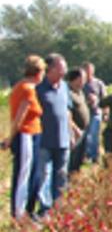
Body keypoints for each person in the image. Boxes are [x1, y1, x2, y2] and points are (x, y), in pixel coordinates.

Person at [3, 56, 45, 219]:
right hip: (25, 134)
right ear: (38, 72)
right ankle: (18, 213)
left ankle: (27, 210)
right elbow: (19, 117)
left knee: (31, 173)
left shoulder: (27, 87)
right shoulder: (26, 89)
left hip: (33, 133)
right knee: (23, 174)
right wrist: (10, 138)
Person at [34, 53, 70, 215]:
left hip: (63, 139)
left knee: (61, 174)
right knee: (44, 175)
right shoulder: (39, 88)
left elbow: (66, 111)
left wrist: (72, 131)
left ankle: (59, 205)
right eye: (61, 68)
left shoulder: (64, 87)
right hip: (44, 140)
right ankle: (45, 207)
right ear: (51, 69)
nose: (64, 71)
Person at [66, 68, 90, 174]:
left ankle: (75, 179)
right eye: (82, 79)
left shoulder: (80, 92)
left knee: (79, 158)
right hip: (74, 131)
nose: (84, 82)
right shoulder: (68, 93)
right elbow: (67, 114)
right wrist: (75, 129)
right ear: (75, 79)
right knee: (72, 159)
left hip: (83, 130)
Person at [81, 62, 106, 163]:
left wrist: (105, 112)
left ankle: (94, 156)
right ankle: (84, 155)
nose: (88, 73)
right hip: (83, 113)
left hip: (96, 112)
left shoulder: (98, 83)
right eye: (86, 71)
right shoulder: (80, 83)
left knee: (94, 134)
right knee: (84, 135)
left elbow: (104, 98)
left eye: (89, 71)